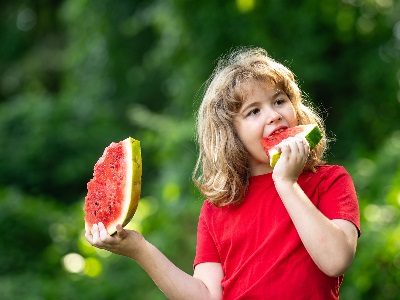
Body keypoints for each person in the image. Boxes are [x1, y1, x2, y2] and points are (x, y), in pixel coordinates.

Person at [85, 46, 361, 299]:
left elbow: (336, 261)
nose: (274, 115)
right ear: (232, 135)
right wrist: (140, 250)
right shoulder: (217, 210)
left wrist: (287, 183)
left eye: (279, 101)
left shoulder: (330, 180)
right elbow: (207, 296)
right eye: (253, 111)